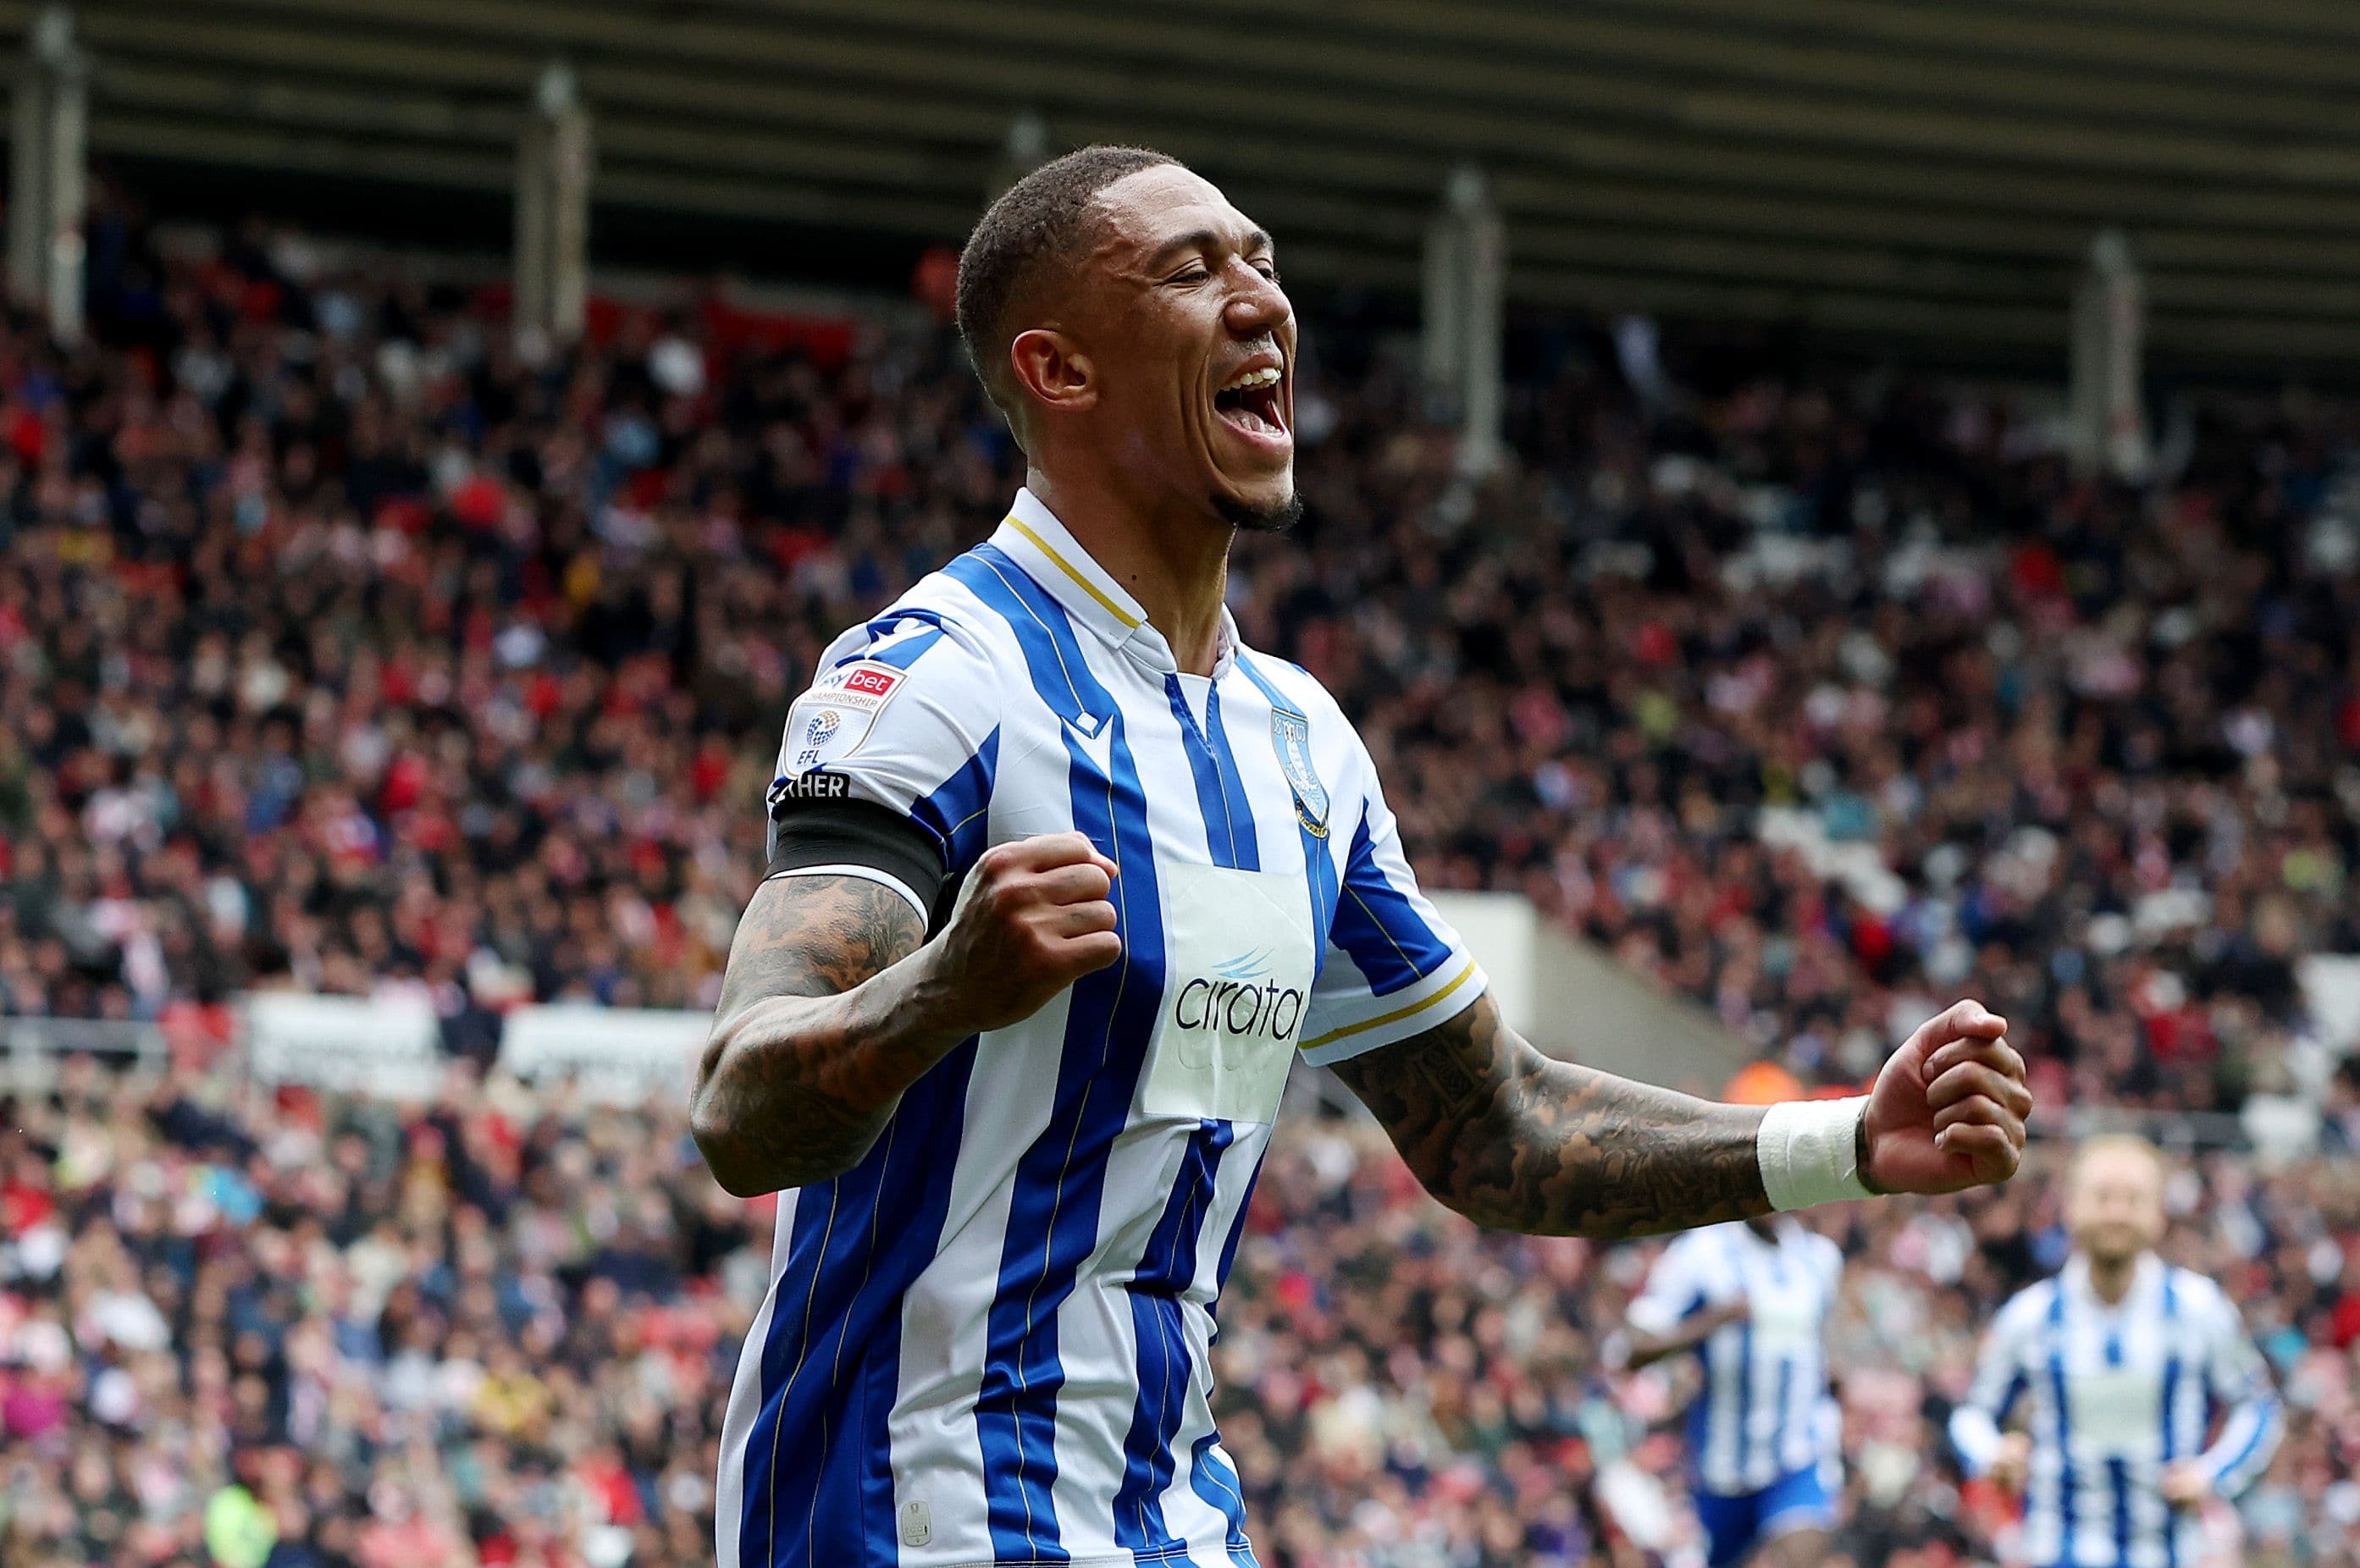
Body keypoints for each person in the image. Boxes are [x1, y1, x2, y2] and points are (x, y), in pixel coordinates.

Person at [690, 143, 2036, 1568]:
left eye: (1261, 259)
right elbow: (738, 1106)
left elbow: (1492, 1124)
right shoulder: (936, 678)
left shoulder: (1300, 746)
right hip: (903, 1506)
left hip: (1167, 1514)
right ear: (1059, 370)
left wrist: (1847, 1145)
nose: (1260, 297)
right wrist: (939, 989)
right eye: (1191, 267)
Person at [1950, 1136, 2282, 1568]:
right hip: (2055, 1550)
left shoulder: (2199, 1309)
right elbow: (1971, 1414)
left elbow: (2258, 1407)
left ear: (2159, 1213)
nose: (2116, 1212)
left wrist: (2211, 1474)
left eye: (2133, 1199)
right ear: (2070, 1207)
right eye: (2102, 1197)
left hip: (2169, 1551)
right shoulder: (2031, 1317)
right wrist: (1992, 1456)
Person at [1621, 1216, 1844, 1567]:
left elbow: (1824, 1347)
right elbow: (1632, 1346)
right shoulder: (1699, 1253)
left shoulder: (1819, 1256)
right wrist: (1714, 1320)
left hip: (1797, 1455)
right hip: (1721, 1469)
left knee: (1801, 1554)